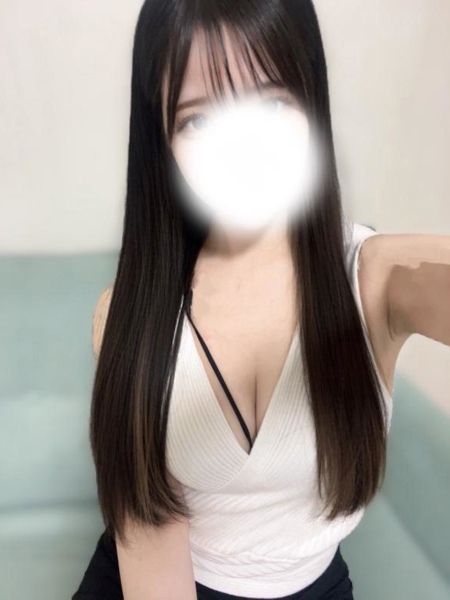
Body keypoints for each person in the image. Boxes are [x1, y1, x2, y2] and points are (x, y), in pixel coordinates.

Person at [72, 0, 400, 598]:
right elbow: (152, 542)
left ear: (311, 103)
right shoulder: (126, 314)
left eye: (271, 104)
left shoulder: (373, 274)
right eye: (198, 120)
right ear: (162, 140)